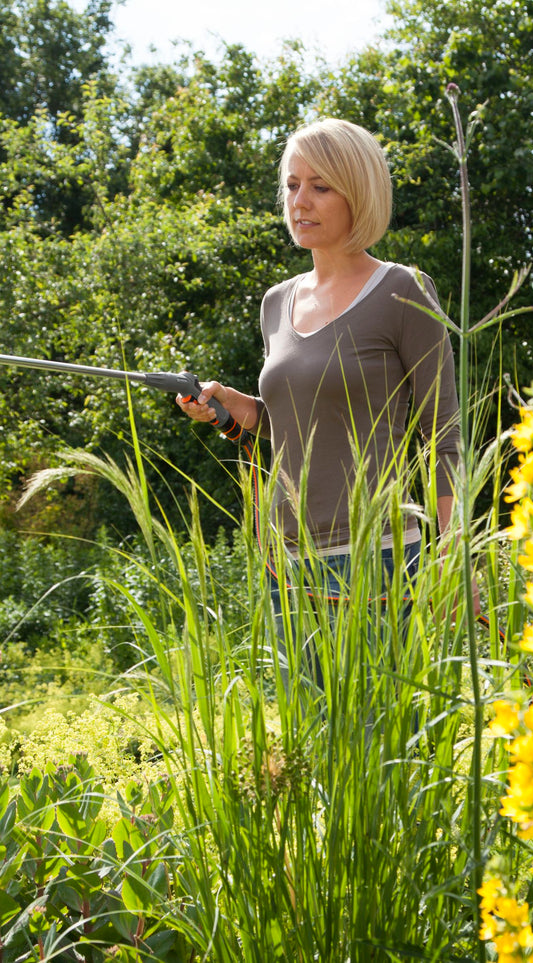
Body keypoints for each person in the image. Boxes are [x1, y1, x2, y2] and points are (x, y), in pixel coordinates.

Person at [176, 118, 462, 640]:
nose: (299, 201)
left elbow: (443, 434)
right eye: (291, 185)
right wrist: (240, 408)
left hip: (379, 556)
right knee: (306, 721)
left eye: (320, 187)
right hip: (285, 563)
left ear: (358, 193)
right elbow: (295, 423)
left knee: (378, 722)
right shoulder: (276, 302)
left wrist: (453, 549)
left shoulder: (405, 289)